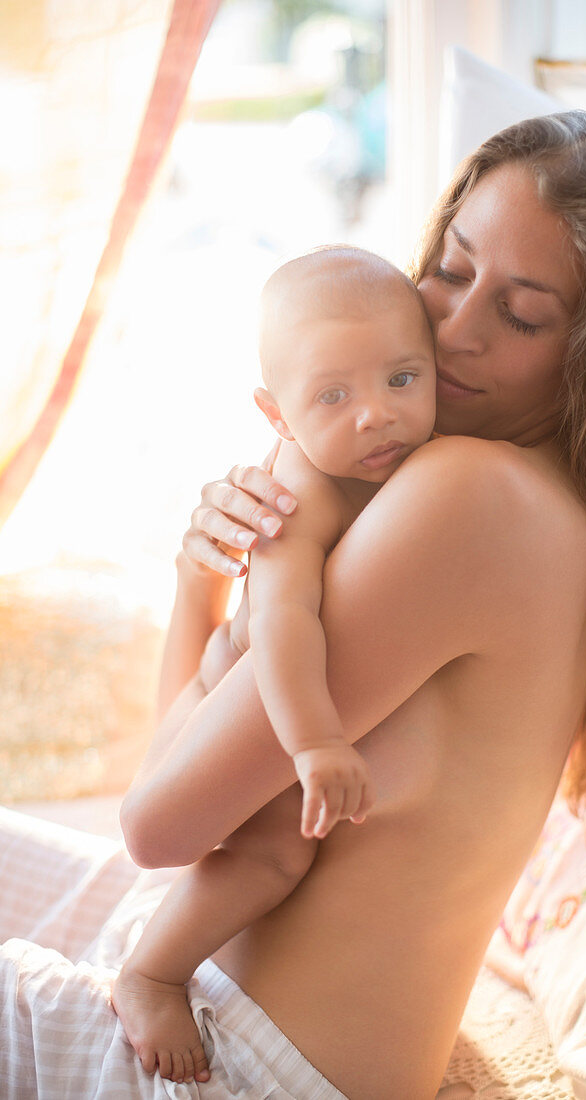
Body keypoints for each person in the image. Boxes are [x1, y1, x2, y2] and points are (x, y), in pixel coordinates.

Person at [1, 110, 586, 1100]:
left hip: (225, 1062)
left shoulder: (470, 500)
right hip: (202, 986)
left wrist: (218, 599)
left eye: (520, 314)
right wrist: (204, 574)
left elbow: (157, 820)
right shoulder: (567, 513)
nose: (453, 331)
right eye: (450, 266)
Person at [111, 245, 437, 1083]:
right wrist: (316, 745)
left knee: (266, 857)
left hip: (244, 705)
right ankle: (150, 973)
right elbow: (286, 623)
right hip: (221, 698)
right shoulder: (298, 493)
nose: (375, 415)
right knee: (269, 856)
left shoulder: (409, 465)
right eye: (333, 395)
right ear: (278, 414)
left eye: (402, 379)